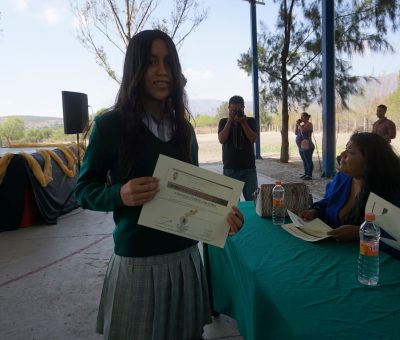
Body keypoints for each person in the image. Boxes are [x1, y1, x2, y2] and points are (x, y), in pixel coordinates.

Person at [75, 29, 244, 340]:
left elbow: (193, 193)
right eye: (152, 62)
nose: (162, 71)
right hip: (137, 262)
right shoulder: (109, 126)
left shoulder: (185, 131)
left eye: (168, 62)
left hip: (185, 260)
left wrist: (222, 217)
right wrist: (119, 194)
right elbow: (83, 190)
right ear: (135, 68)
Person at [299, 132, 400, 259]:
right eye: (345, 150)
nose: (342, 155)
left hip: (372, 263)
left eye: (350, 152)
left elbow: (395, 236)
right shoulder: (343, 178)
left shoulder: (392, 191)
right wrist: (315, 211)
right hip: (332, 254)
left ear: (370, 161)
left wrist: (359, 233)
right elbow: (328, 202)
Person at [218, 95, 258, 200]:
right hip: (230, 168)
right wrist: (229, 121)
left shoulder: (250, 121)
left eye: (239, 109)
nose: (236, 112)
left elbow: (253, 139)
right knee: (231, 203)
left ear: (243, 108)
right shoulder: (223, 122)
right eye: (233, 109)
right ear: (229, 109)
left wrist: (243, 123)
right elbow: (222, 139)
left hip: (248, 168)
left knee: (253, 202)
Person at [295, 112, 315, 180]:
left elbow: (303, 131)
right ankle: (306, 173)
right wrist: (297, 125)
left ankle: (309, 175)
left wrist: (299, 125)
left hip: (308, 146)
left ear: (306, 117)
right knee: (304, 160)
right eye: (301, 117)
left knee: (308, 160)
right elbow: (296, 133)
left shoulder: (309, 124)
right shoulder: (302, 125)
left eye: (302, 117)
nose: (301, 118)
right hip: (301, 146)